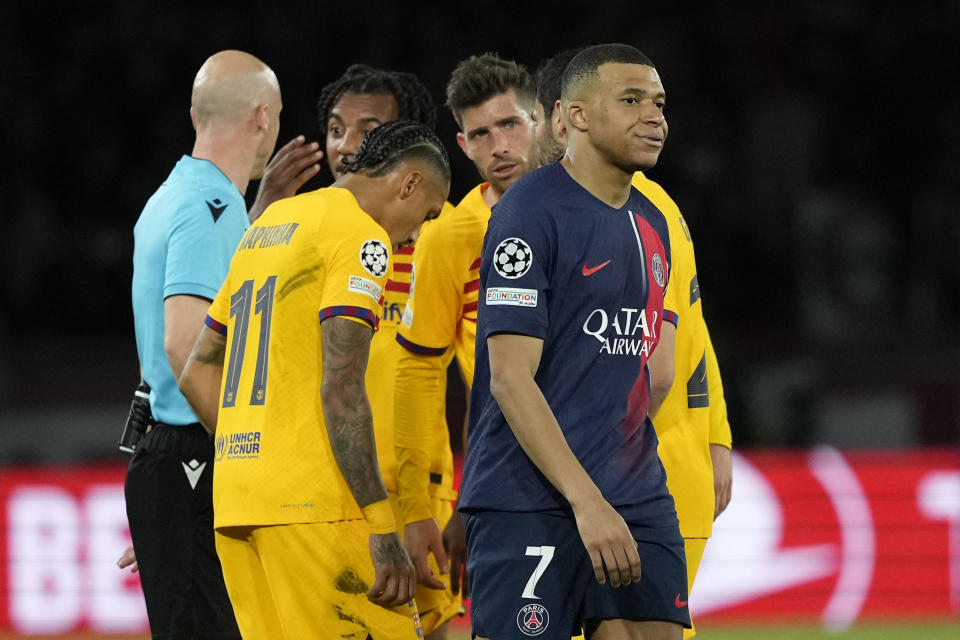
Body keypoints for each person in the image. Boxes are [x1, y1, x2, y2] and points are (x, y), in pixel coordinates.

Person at [177, 119, 451, 640]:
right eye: (427, 213)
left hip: (239, 505)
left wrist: (252, 450)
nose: (417, 232)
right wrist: (380, 524)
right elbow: (343, 386)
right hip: (319, 508)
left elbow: (197, 368)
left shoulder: (271, 224)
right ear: (408, 183)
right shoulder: (361, 237)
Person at [459, 44, 690, 640]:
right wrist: (587, 500)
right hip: (527, 495)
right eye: (632, 101)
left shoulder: (653, 223)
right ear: (576, 117)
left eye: (659, 103)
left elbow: (655, 374)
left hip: (633, 495)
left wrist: (617, 474)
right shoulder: (527, 214)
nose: (655, 117)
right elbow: (509, 378)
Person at [534, 48, 734, 639]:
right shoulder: (587, 208)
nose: (506, 147)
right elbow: (696, 331)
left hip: (637, 475)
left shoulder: (639, 208)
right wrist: (716, 430)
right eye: (632, 101)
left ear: (561, 118)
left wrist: (575, 481)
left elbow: (662, 358)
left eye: (517, 125)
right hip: (642, 469)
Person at [125, 49, 317, 639]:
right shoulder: (209, 208)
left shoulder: (177, 198)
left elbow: (157, 355)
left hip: (176, 458)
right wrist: (243, 458)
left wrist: (162, 477)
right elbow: (184, 347)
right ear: (264, 116)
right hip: (196, 457)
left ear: (194, 115)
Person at [316, 64, 461, 639]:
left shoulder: (444, 233)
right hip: (327, 488)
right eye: (335, 128)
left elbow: (486, 367)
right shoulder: (305, 229)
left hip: (416, 490)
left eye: (368, 129)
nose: (347, 146)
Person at [392, 52, 539, 605]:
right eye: (480, 134)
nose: (499, 146)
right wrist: (430, 508)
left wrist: (714, 435)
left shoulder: (603, 209)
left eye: (509, 125)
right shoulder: (449, 238)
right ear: (462, 145)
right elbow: (417, 373)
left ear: (541, 120)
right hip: (512, 483)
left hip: (609, 471)